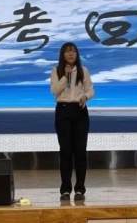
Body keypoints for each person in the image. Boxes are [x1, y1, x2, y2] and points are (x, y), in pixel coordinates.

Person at [49, 42, 94, 202]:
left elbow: (90, 89)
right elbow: (54, 91)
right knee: (66, 151)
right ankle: (65, 189)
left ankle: (80, 189)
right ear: (63, 55)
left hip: (80, 111)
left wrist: (85, 97)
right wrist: (65, 77)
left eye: (73, 51)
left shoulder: (83, 70)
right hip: (63, 110)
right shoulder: (56, 70)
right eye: (67, 52)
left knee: (80, 152)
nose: (71, 54)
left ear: (77, 54)